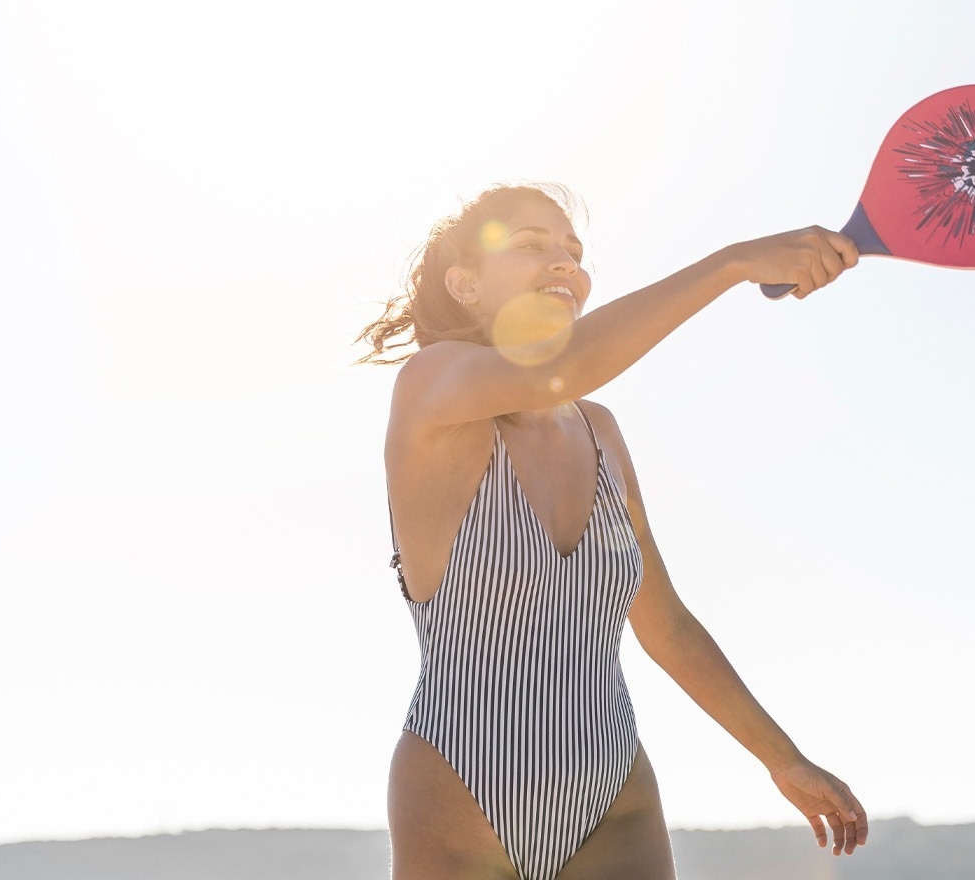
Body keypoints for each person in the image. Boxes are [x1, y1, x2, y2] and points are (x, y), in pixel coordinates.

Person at [355, 183, 869, 880]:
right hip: (459, 789)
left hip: (614, 797)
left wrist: (784, 759)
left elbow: (667, 625)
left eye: (574, 251)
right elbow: (565, 365)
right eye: (531, 245)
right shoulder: (431, 385)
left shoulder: (600, 431)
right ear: (466, 285)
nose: (565, 262)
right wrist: (732, 263)